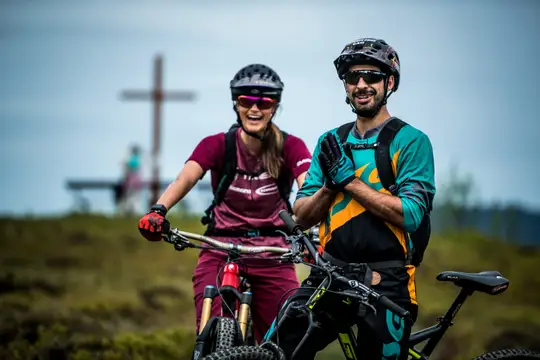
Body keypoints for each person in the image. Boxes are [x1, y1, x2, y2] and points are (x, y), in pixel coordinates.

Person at [273, 38, 436, 360]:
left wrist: (350, 182)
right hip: (330, 273)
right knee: (279, 349)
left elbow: (411, 214)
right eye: (352, 78)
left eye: (371, 77)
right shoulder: (330, 141)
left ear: (389, 83)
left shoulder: (412, 141)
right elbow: (302, 215)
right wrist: (330, 186)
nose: (361, 85)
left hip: (388, 279)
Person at [137, 64, 313, 343]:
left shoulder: (291, 147)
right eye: (246, 101)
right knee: (210, 330)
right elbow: (186, 178)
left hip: (272, 253)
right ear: (236, 104)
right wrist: (158, 211)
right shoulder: (217, 144)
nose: (254, 109)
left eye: (264, 102)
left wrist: (320, 229)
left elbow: (309, 187)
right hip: (220, 248)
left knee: (288, 337)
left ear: (275, 107)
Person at [117, 144, 143, 215]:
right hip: (133, 183)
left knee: (131, 198)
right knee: (132, 198)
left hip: (131, 183)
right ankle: (130, 212)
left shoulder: (131, 159)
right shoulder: (134, 160)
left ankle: (131, 212)